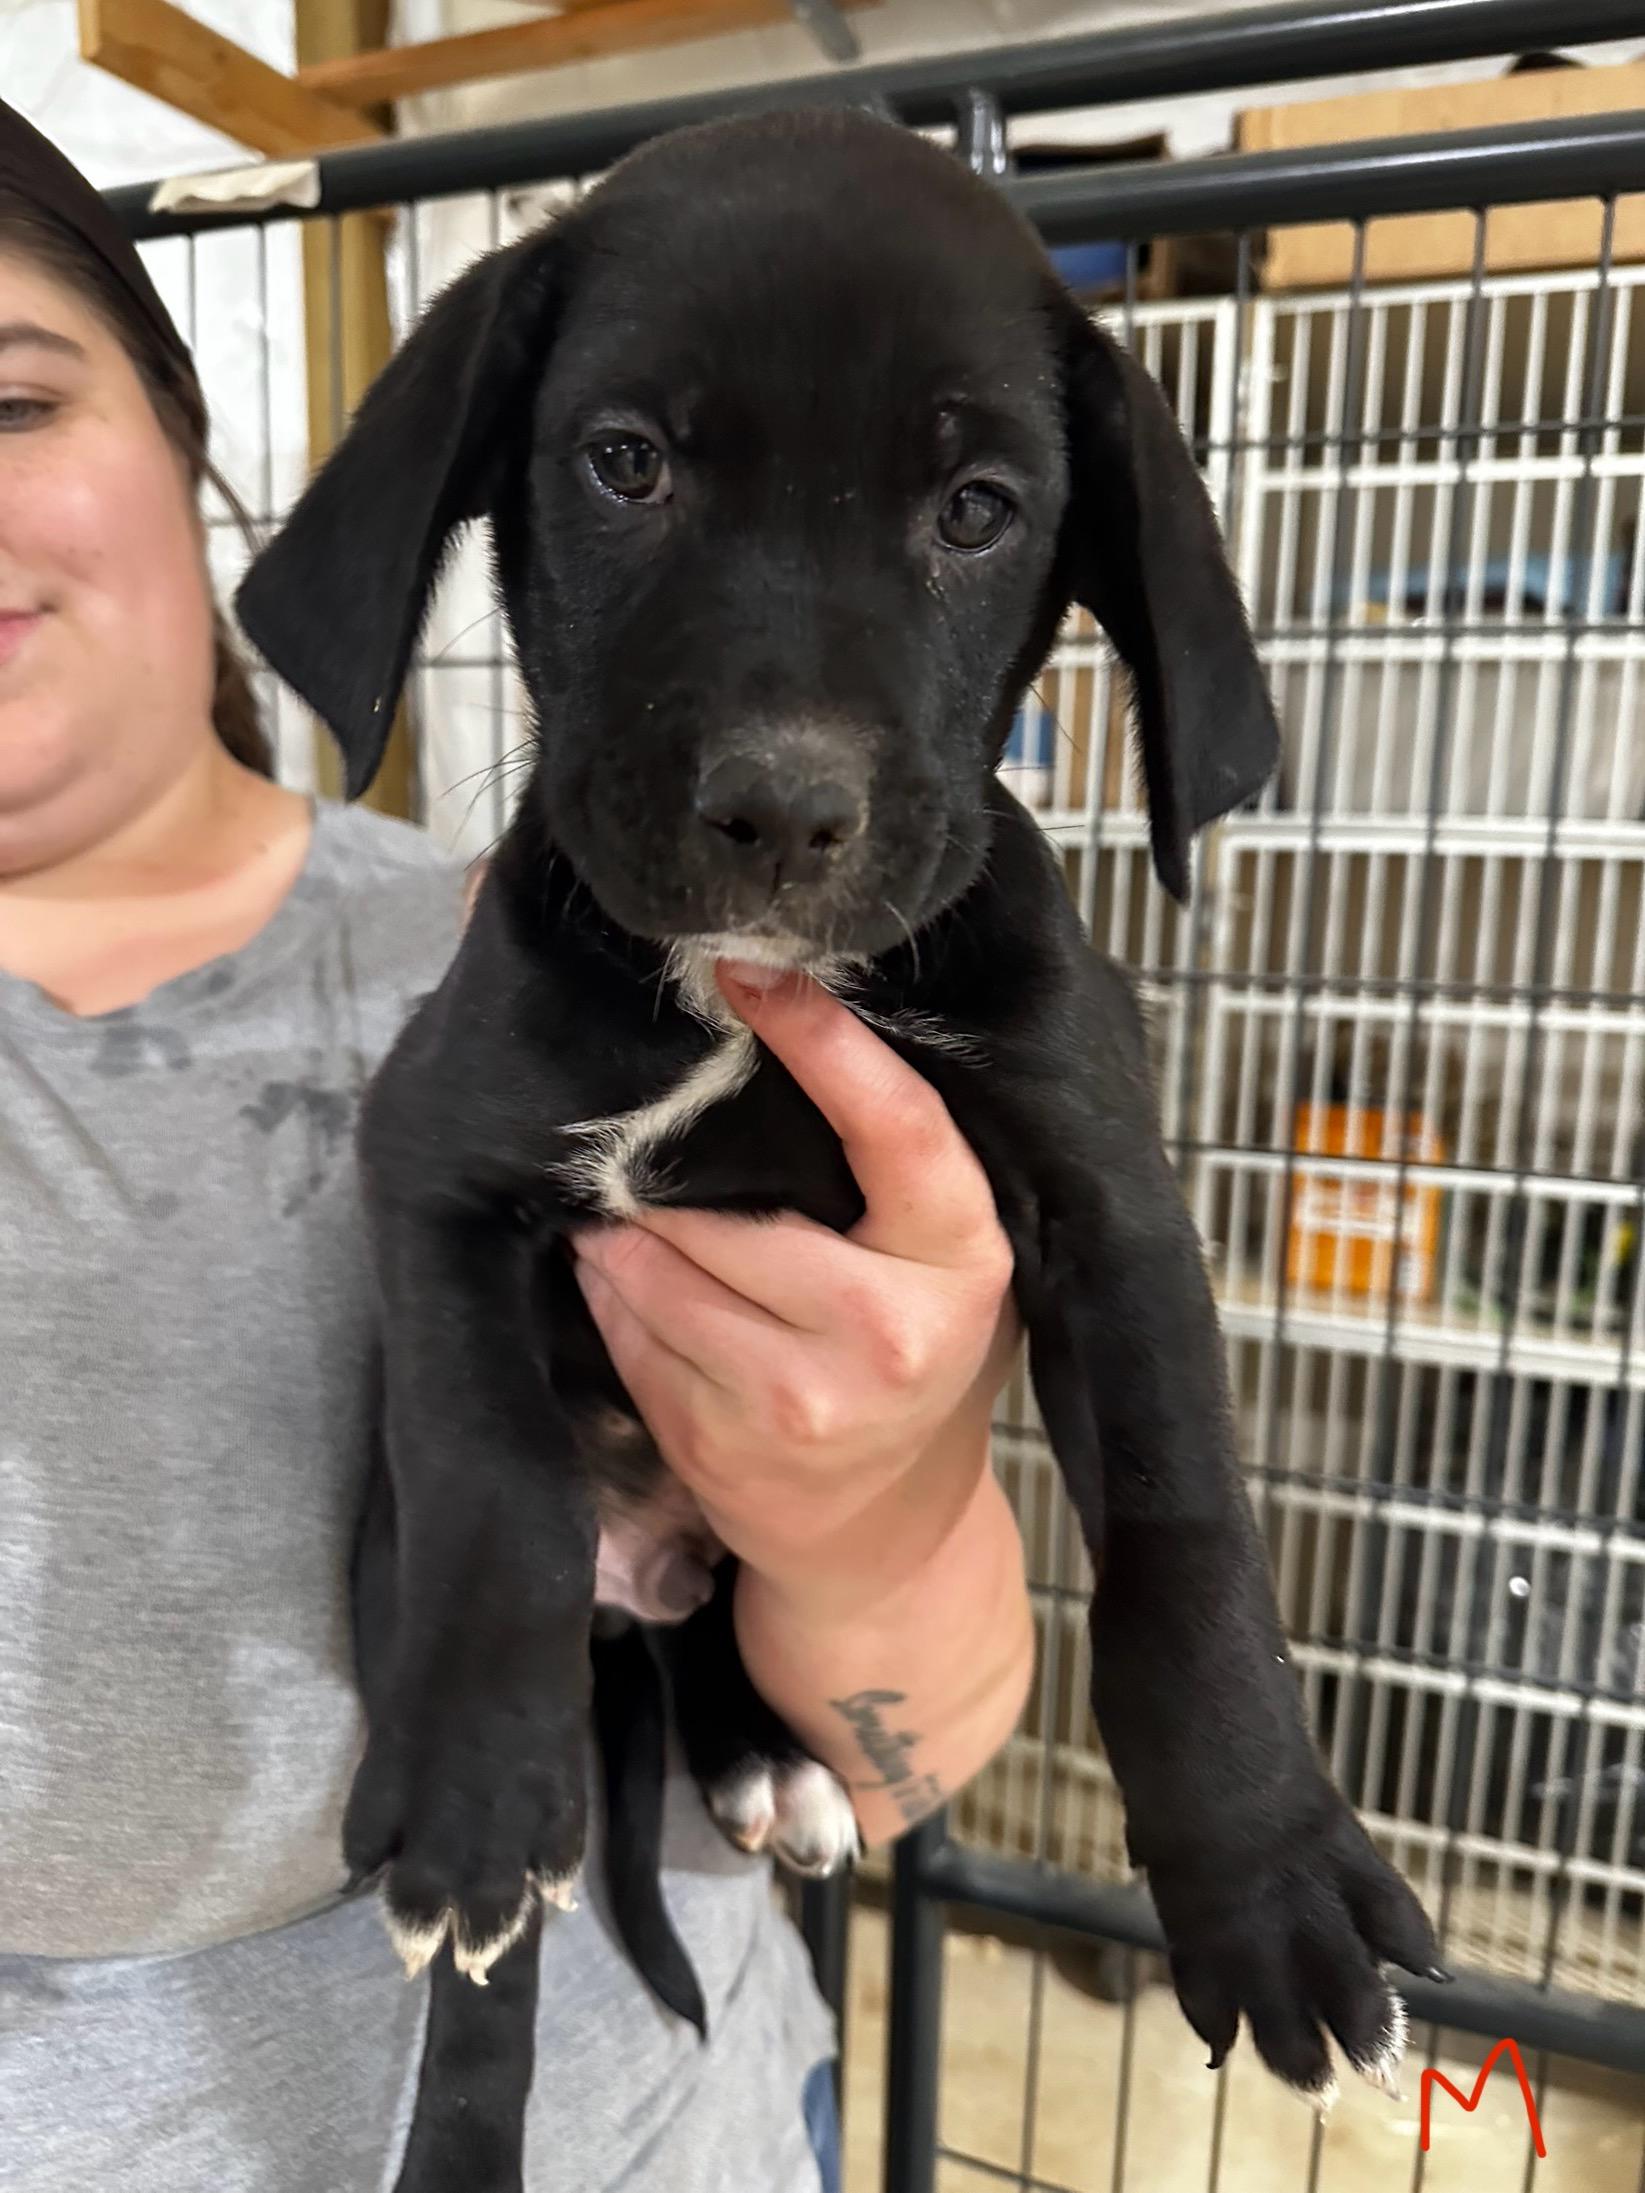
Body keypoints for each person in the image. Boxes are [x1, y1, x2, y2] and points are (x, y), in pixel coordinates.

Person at [0, 100, 1033, 2192]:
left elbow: (911, 1748)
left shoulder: (573, 947)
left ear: (177, 424)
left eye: (9, 403)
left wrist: (866, 1509)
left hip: (647, 2127)